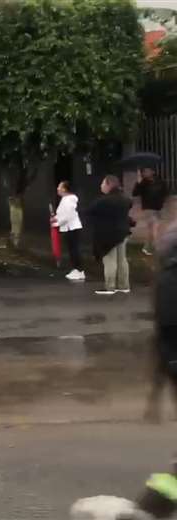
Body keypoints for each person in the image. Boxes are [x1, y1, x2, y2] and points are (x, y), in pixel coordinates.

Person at [144, 218, 177, 423]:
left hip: (164, 320)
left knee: (163, 360)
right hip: (169, 319)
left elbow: (157, 295)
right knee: (168, 363)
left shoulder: (164, 269)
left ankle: (153, 405)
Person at [86, 175, 133, 296]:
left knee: (110, 260)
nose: (101, 186)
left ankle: (110, 286)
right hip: (123, 233)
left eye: (103, 183)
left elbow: (90, 210)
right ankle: (124, 285)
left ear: (109, 185)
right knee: (122, 260)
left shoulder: (103, 201)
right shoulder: (125, 200)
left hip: (109, 235)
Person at [133, 167, 169, 256]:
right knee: (155, 228)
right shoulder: (143, 183)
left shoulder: (160, 182)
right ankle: (158, 248)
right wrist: (138, 182)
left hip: (159, 209)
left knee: (154, 229)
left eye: (147, 171)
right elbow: (135, 193)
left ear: (153, 171)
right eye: (144, 171)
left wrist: (164, 202)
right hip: (148, 209)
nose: (145, 173)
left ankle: (147, 248)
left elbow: (165, 193)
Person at [53, 181, 85, 281]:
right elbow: (62, 214)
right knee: (72, 249)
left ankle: (79, 270)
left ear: (64, 189)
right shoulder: (65, 199)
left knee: (74, 249)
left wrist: (57, 223)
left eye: (59, 186)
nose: (58, 188)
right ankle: (76, 269)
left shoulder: (69, 199)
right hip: (68, 227)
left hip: (72, 227)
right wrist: (56, 218)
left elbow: (68, 215)